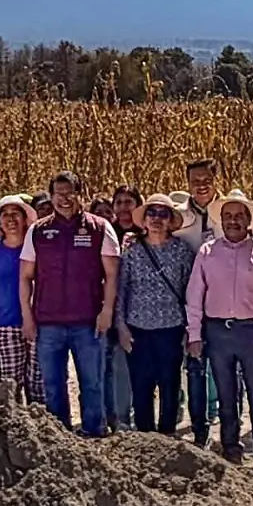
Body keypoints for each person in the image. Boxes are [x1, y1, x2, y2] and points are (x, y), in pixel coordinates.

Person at [186, 189, 253, 473]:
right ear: (221, 221)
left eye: (239, 216)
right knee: (226, 394)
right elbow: (195, 297)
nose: (233, 221)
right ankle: (231, 448)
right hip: (217, 332)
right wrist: (194, 335)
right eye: (228, 216)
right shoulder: (207, 252)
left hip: (251, 331)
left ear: (249, 220)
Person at [19, 171, 120, 438]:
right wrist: (27, 317)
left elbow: (111, 274)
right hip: (48, 322)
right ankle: (59, 435)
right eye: (58, 193)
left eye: (69, 192)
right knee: (52, 384)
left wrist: (107, 310)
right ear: (51, 196)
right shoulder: (38, 231)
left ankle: (94, 431)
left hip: (88, 321)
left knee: (92, 382)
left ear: (80, 194)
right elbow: (26, 277)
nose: (64, 199)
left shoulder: (99, 228)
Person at [115, 194, 195, 435]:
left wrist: (190, 329)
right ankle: (146, 436)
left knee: (170, 384)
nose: (157, 219)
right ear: (144, 219)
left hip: (171, 327)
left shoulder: (182, 251)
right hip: (138, 327)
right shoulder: (132, 251)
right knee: (141, 385)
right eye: (152, 213)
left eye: (163, 214)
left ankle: (167, 433)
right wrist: (121, 326)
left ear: (171, 220)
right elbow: (122, 289)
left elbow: (190, 291)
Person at [171, 159, 224, 444]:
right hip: (184, 295)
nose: (201, 185)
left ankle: (214, 409)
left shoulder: (227, 212)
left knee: (218, 357)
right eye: (195, 180)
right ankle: (189, 408)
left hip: (221, 296)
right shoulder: (179, 216)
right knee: (188, 354)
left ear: (216, 179)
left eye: (206, 179)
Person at [0, 195, 44, 404]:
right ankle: (16, 429)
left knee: (38, 383)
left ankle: (41, 430)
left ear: (25, 218)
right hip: (5, 324)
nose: (10, 219)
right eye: (5, 215)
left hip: (38, 322)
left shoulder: (38, 247)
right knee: (11, 384)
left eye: (15, 214)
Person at [104, 185, 142, 431]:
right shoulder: (107, 234)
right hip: (112, 305)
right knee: (117, 365)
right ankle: (120, 418)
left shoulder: (148, 231)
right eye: (118, 202)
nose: (124, 207)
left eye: (129, 202)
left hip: (143, 308)